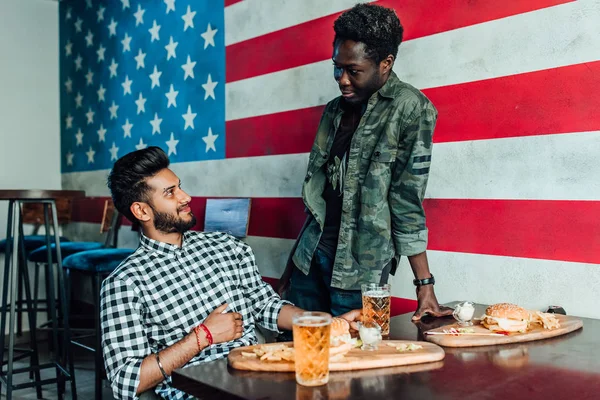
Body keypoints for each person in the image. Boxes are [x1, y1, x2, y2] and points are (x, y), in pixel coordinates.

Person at [101, 147, 360, 400]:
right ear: (142, 211)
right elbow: (127, 380)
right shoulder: (124, 284)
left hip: (263, 374)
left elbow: (265, 306)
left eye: (179, 186)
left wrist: (327, 323)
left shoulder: (227, 246)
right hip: (200, 390)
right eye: (171, 193)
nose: (185, 197)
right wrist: (202, 337)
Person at [277, 4, 453, 322]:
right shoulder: (333, 110)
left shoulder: (412, 109)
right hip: (310, 260)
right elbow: (320, 196)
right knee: (296, 354)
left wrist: (424, 286)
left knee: (357, 359)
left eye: (353, 71)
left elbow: (406, 202)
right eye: (337, 68)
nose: (342, 80)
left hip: (360, 271)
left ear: (385, 64)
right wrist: (291, 268)